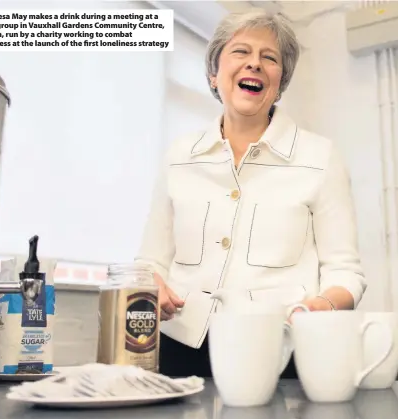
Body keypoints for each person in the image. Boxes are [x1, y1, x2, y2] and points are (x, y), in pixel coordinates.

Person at [135, 9, 366, 378]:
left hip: (280, 347)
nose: (254, 64)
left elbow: (346, 273)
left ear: (280, 82)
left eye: (269, 58)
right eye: (241, 52)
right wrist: (150, 285)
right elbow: (149, 263)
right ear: (214, 74)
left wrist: (317, 308)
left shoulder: (320, 157)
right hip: (180, 349)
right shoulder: (178, 156)